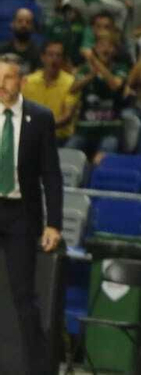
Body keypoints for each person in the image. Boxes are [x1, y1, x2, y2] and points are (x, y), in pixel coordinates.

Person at [0, 53, 64, 375]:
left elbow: (51, 174)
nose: (0, 84)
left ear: (22, 81)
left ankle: (38, 370)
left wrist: (54, 222)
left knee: (25, 298)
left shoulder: (40, 118)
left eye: (8, 77)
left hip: (20, 214)